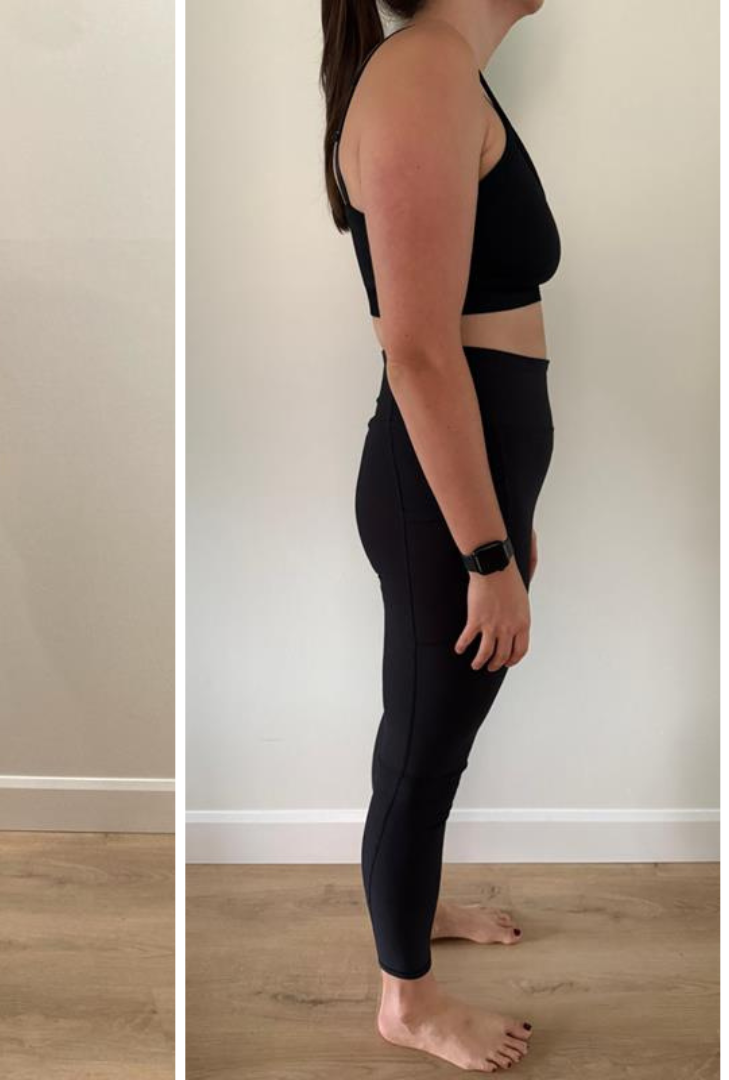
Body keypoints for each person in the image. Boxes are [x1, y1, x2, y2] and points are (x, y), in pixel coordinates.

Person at [321, 0, 559, 1071]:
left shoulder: (440, 71)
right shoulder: (420, 73)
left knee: (428, 735)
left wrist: (512, 522)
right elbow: (416, 351)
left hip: (464, 493)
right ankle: (405, 1001)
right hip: (438, 500)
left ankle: (411, 916)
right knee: (424, 749)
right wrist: (485, 553)